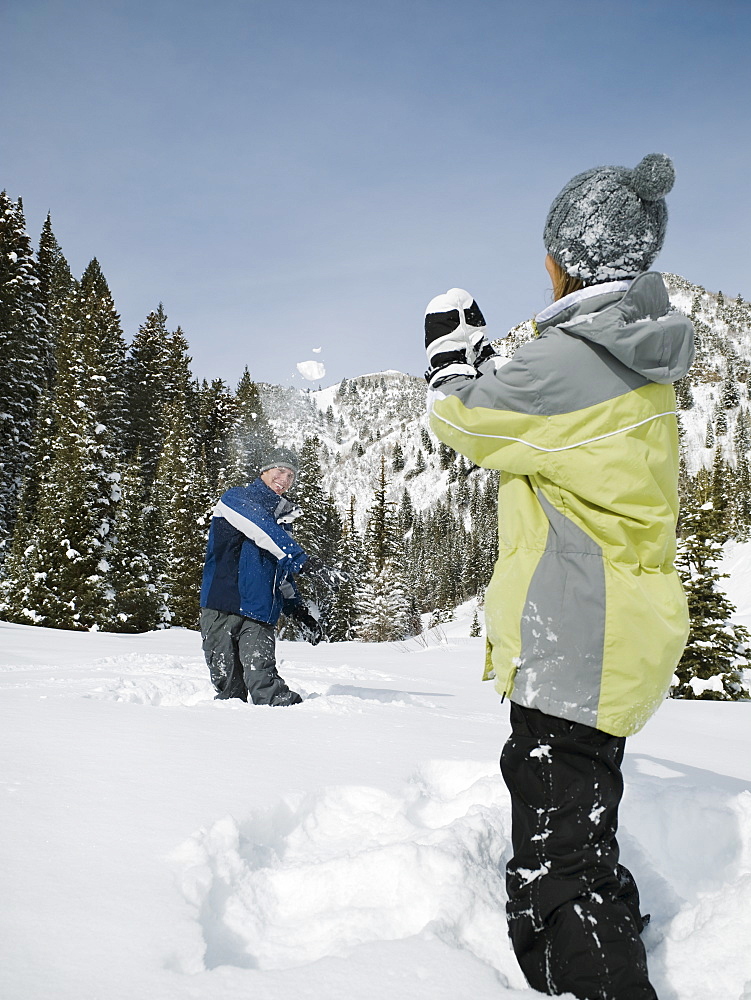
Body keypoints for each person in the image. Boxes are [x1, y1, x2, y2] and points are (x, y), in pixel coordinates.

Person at [423, 153, 694, 999]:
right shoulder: (627, 345)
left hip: (579, 635)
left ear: (564, 259)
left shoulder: (573, 359)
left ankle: (596, 976)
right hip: (614, 628)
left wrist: (450, 355)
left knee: (558, 865)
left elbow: (459, 421)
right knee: (580, 824)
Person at [199, 447, 340, 706]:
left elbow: (280, 572)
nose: (285, 479)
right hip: (222, 606)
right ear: (264, 471)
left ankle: (297, 726)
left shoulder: (281, 523)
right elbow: (260, 528)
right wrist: (303, 559)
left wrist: (298, 611)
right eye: (280, 471)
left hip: (259, 612)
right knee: (228, 688)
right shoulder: (235, 500)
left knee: (264, 682)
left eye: (291, 476)